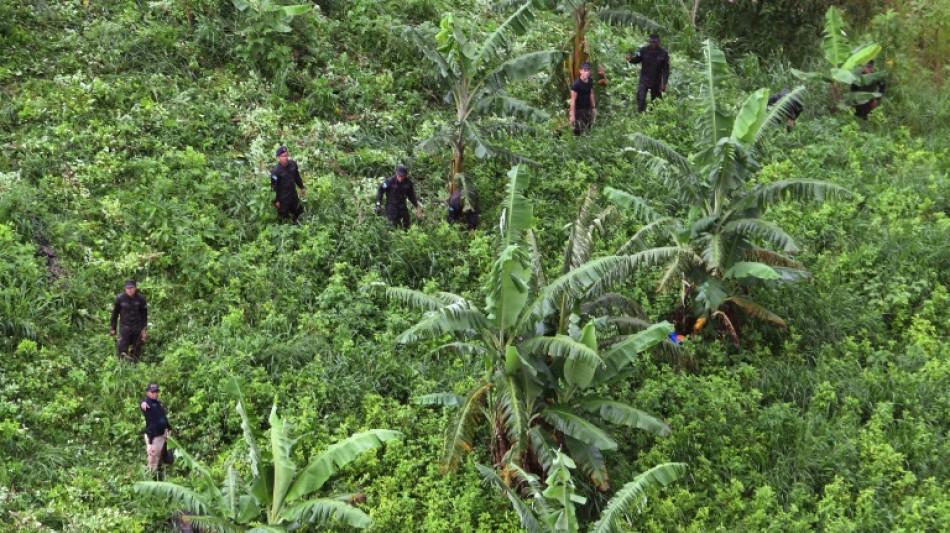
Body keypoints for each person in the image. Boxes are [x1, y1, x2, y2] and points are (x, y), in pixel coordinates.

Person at [626, 34, 670, 113]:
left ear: (658, 42)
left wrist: (664, 83)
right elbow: (637, 59)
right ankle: (641, 114)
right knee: (641, 97)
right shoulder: (643, 50)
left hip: (656, 79)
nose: (653, 44)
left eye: (655, 42)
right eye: (652, 42)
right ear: (649, 42)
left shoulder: (663, 53)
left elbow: (666, 70)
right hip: (644, 78)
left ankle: (655, 115)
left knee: (656, 100)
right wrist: (631, 59)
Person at [110, 279, 148, 361]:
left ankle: (134, 365)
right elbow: (115, 314)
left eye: (131, 288)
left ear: (135, 288)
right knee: (122, 347)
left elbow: (144, 315)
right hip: (125, 326)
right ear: (125, 289)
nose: (129, 290)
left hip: (137, 327)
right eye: (128, 288)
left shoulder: (141, 299)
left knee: (136, 347)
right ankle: (122, 365)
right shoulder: (120, 298)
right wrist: (113, 328)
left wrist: (144, 330)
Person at [140, 382, 172, 475]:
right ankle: (151, 477)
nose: (155, 394)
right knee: (153, 459)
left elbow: (163, 417)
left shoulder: (158, 403)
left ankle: (159, 474)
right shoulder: (147, 402)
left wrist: (170, 428)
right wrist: (142, 403)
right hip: (153, 436)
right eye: (153, 392)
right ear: (148, 393)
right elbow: (142, 403)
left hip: (162, 435)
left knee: (161, 457)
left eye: (156, 392)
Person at [270, 146, 306, 223]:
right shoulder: (276, 171)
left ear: (288, 155)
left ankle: (298, 227)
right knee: (284, 218)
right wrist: (276, 201)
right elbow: (273, 187)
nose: (285, 158)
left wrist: (302, 187)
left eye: (286, 155)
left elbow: (297, 177)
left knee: (300, 213)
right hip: (283, 199)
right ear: (278, 157)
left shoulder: (292, 164)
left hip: (293, 195)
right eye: (282, 156)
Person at [569, 62, 596, 135]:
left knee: (588, 130)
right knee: (578, 131)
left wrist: (593, 107)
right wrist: (572, 115)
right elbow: (573, 100)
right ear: (580, 71)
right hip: (579, 111)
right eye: (585, 70)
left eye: (588, 70)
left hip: (588, 109)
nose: (586, 72)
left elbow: (591, 93)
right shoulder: (576, 84)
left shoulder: (590, 81)